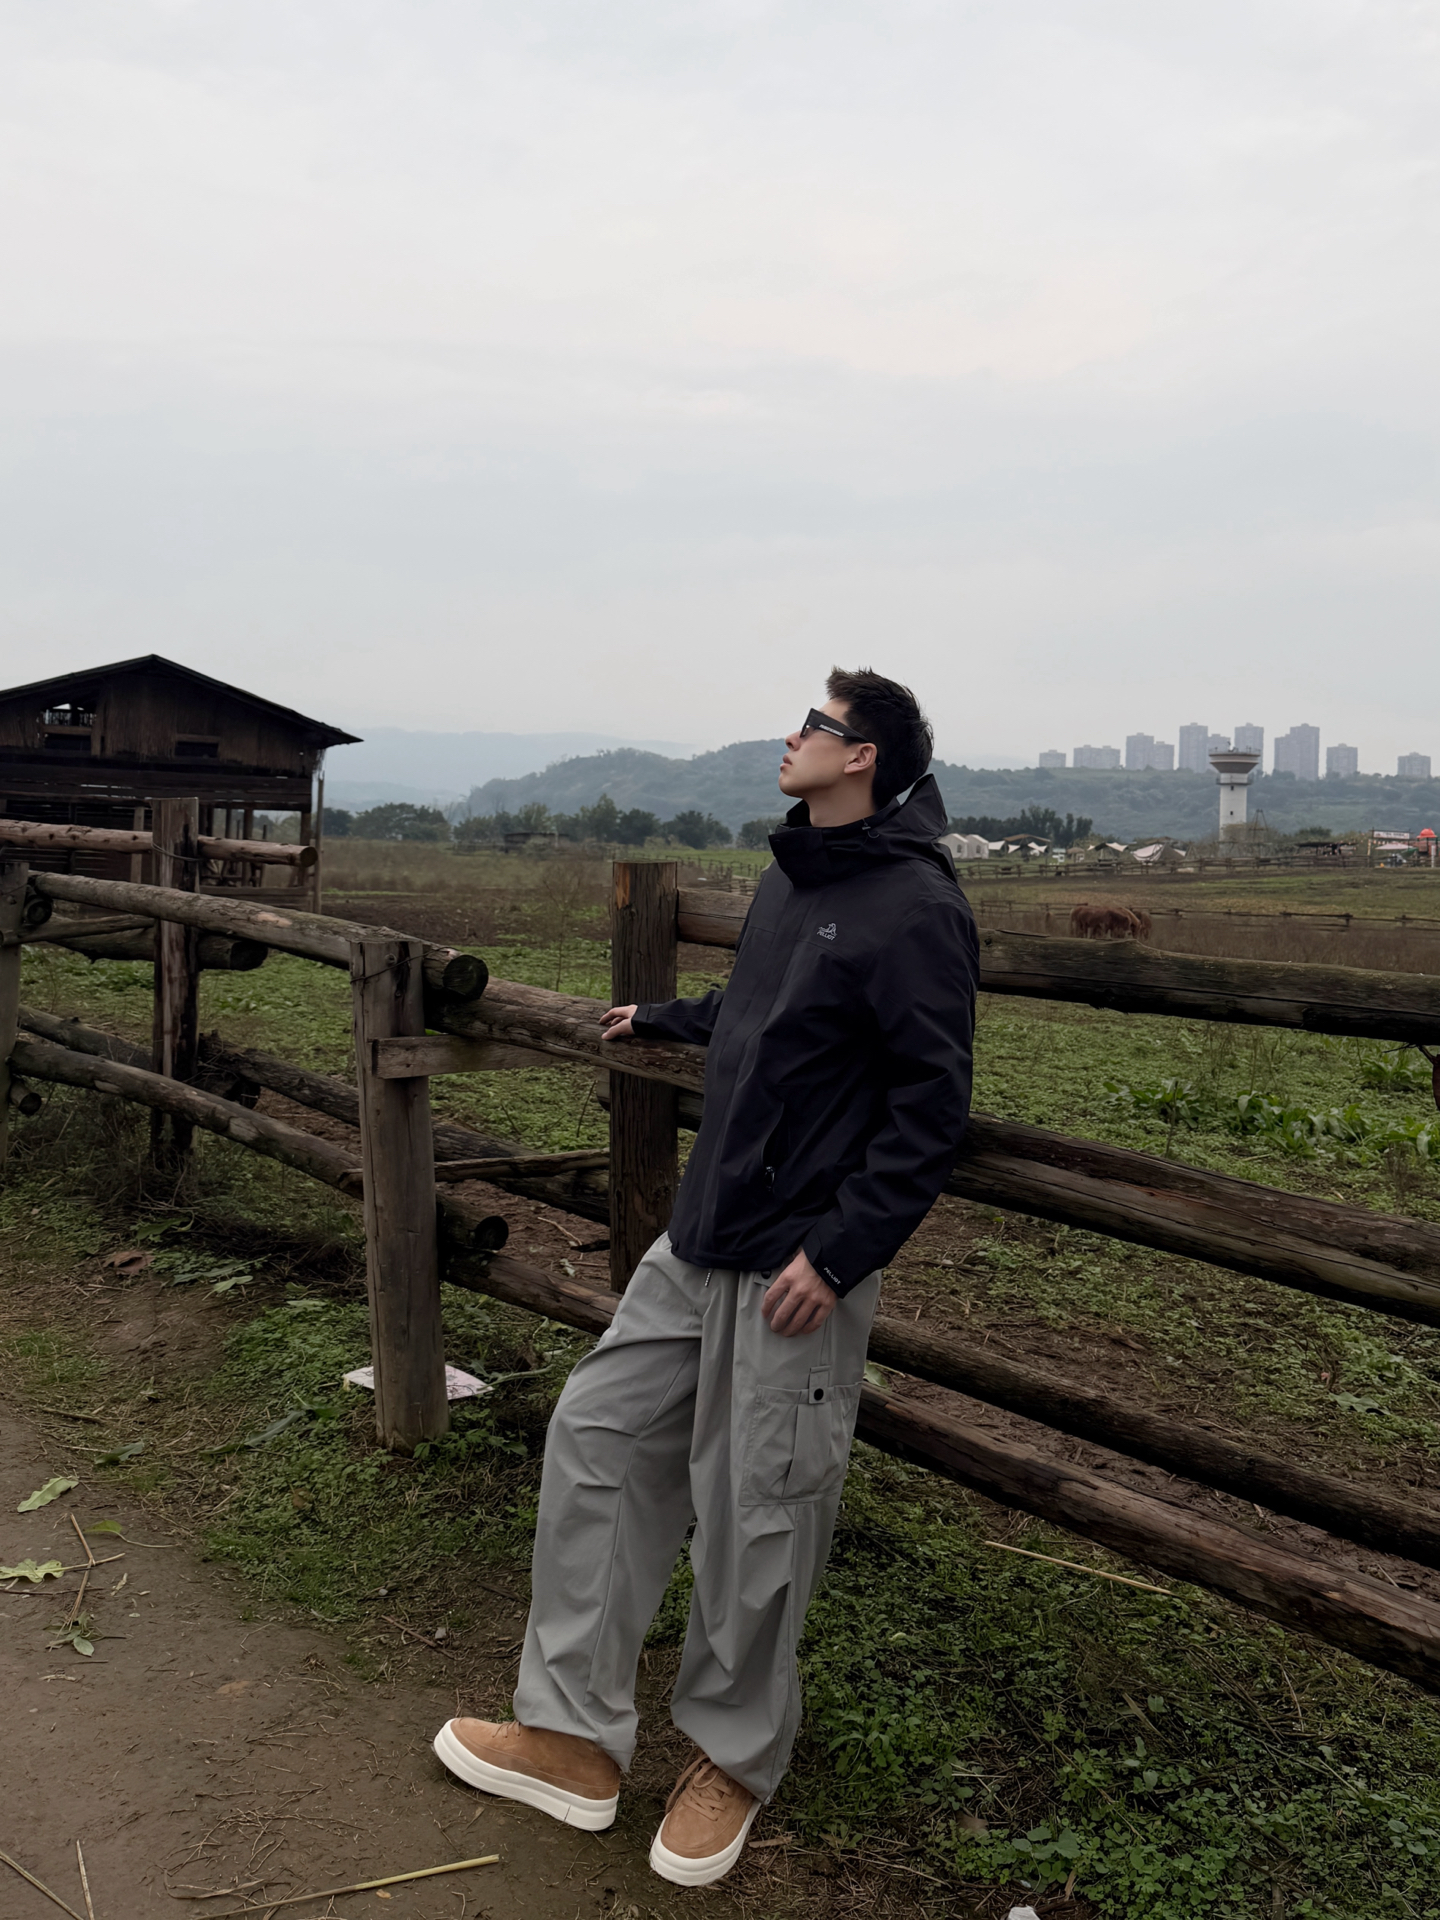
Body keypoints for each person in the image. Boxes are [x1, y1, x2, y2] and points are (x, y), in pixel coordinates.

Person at [433, 667, 978, 1886]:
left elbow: (931, 1108)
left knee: (758, 1510)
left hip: (795, 1263)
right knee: (599, 1438)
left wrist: (839, 1252)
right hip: (699, 1237)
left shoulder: (917, 906)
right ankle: (571, 1739)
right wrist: (672, 1017)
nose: (792, 736)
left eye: (817, 726)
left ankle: (732, 1758)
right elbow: (770, 1006)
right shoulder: (798, 875)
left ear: (864, 758)